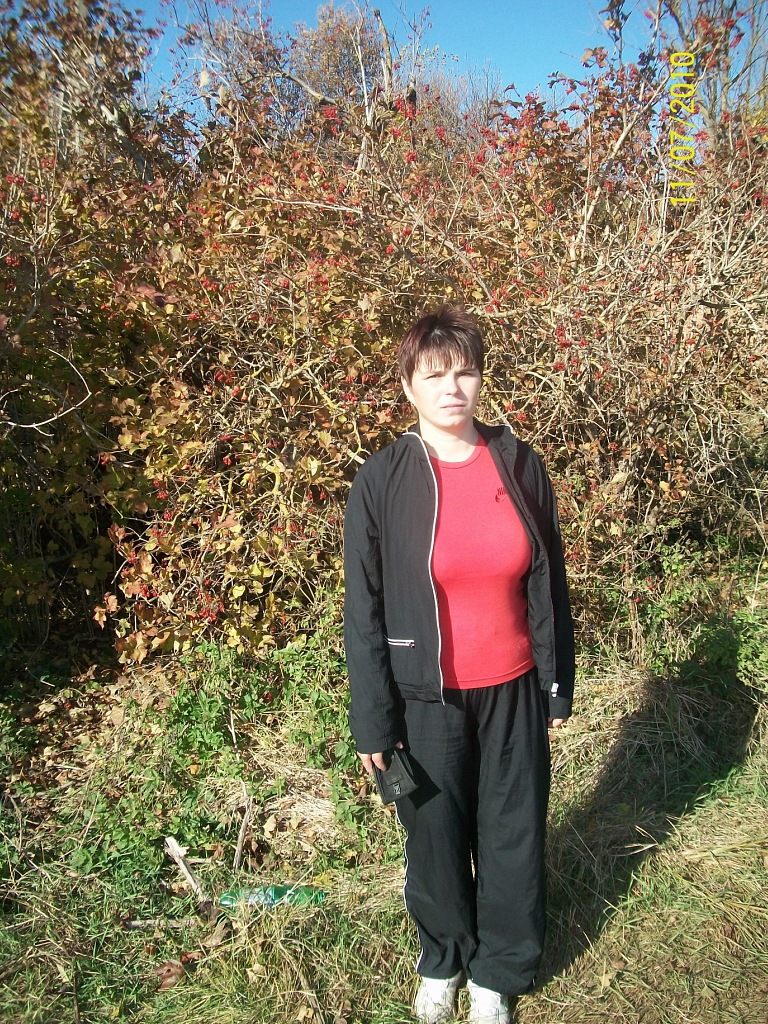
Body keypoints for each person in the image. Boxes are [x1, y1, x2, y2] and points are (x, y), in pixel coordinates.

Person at [343, 305, 575, 1024]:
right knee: (435, 838)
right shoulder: (382, 480)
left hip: (513, 688)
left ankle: (498, 972)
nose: (452, 389)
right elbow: (363, 607)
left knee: (512, 833)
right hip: (425, 698)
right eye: (434, 375)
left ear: (481, 379)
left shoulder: (519, 462)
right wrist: (373, 721)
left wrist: (555, 683)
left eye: (465, 373)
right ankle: (443, 958)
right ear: (407, 386)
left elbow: (549, 580)